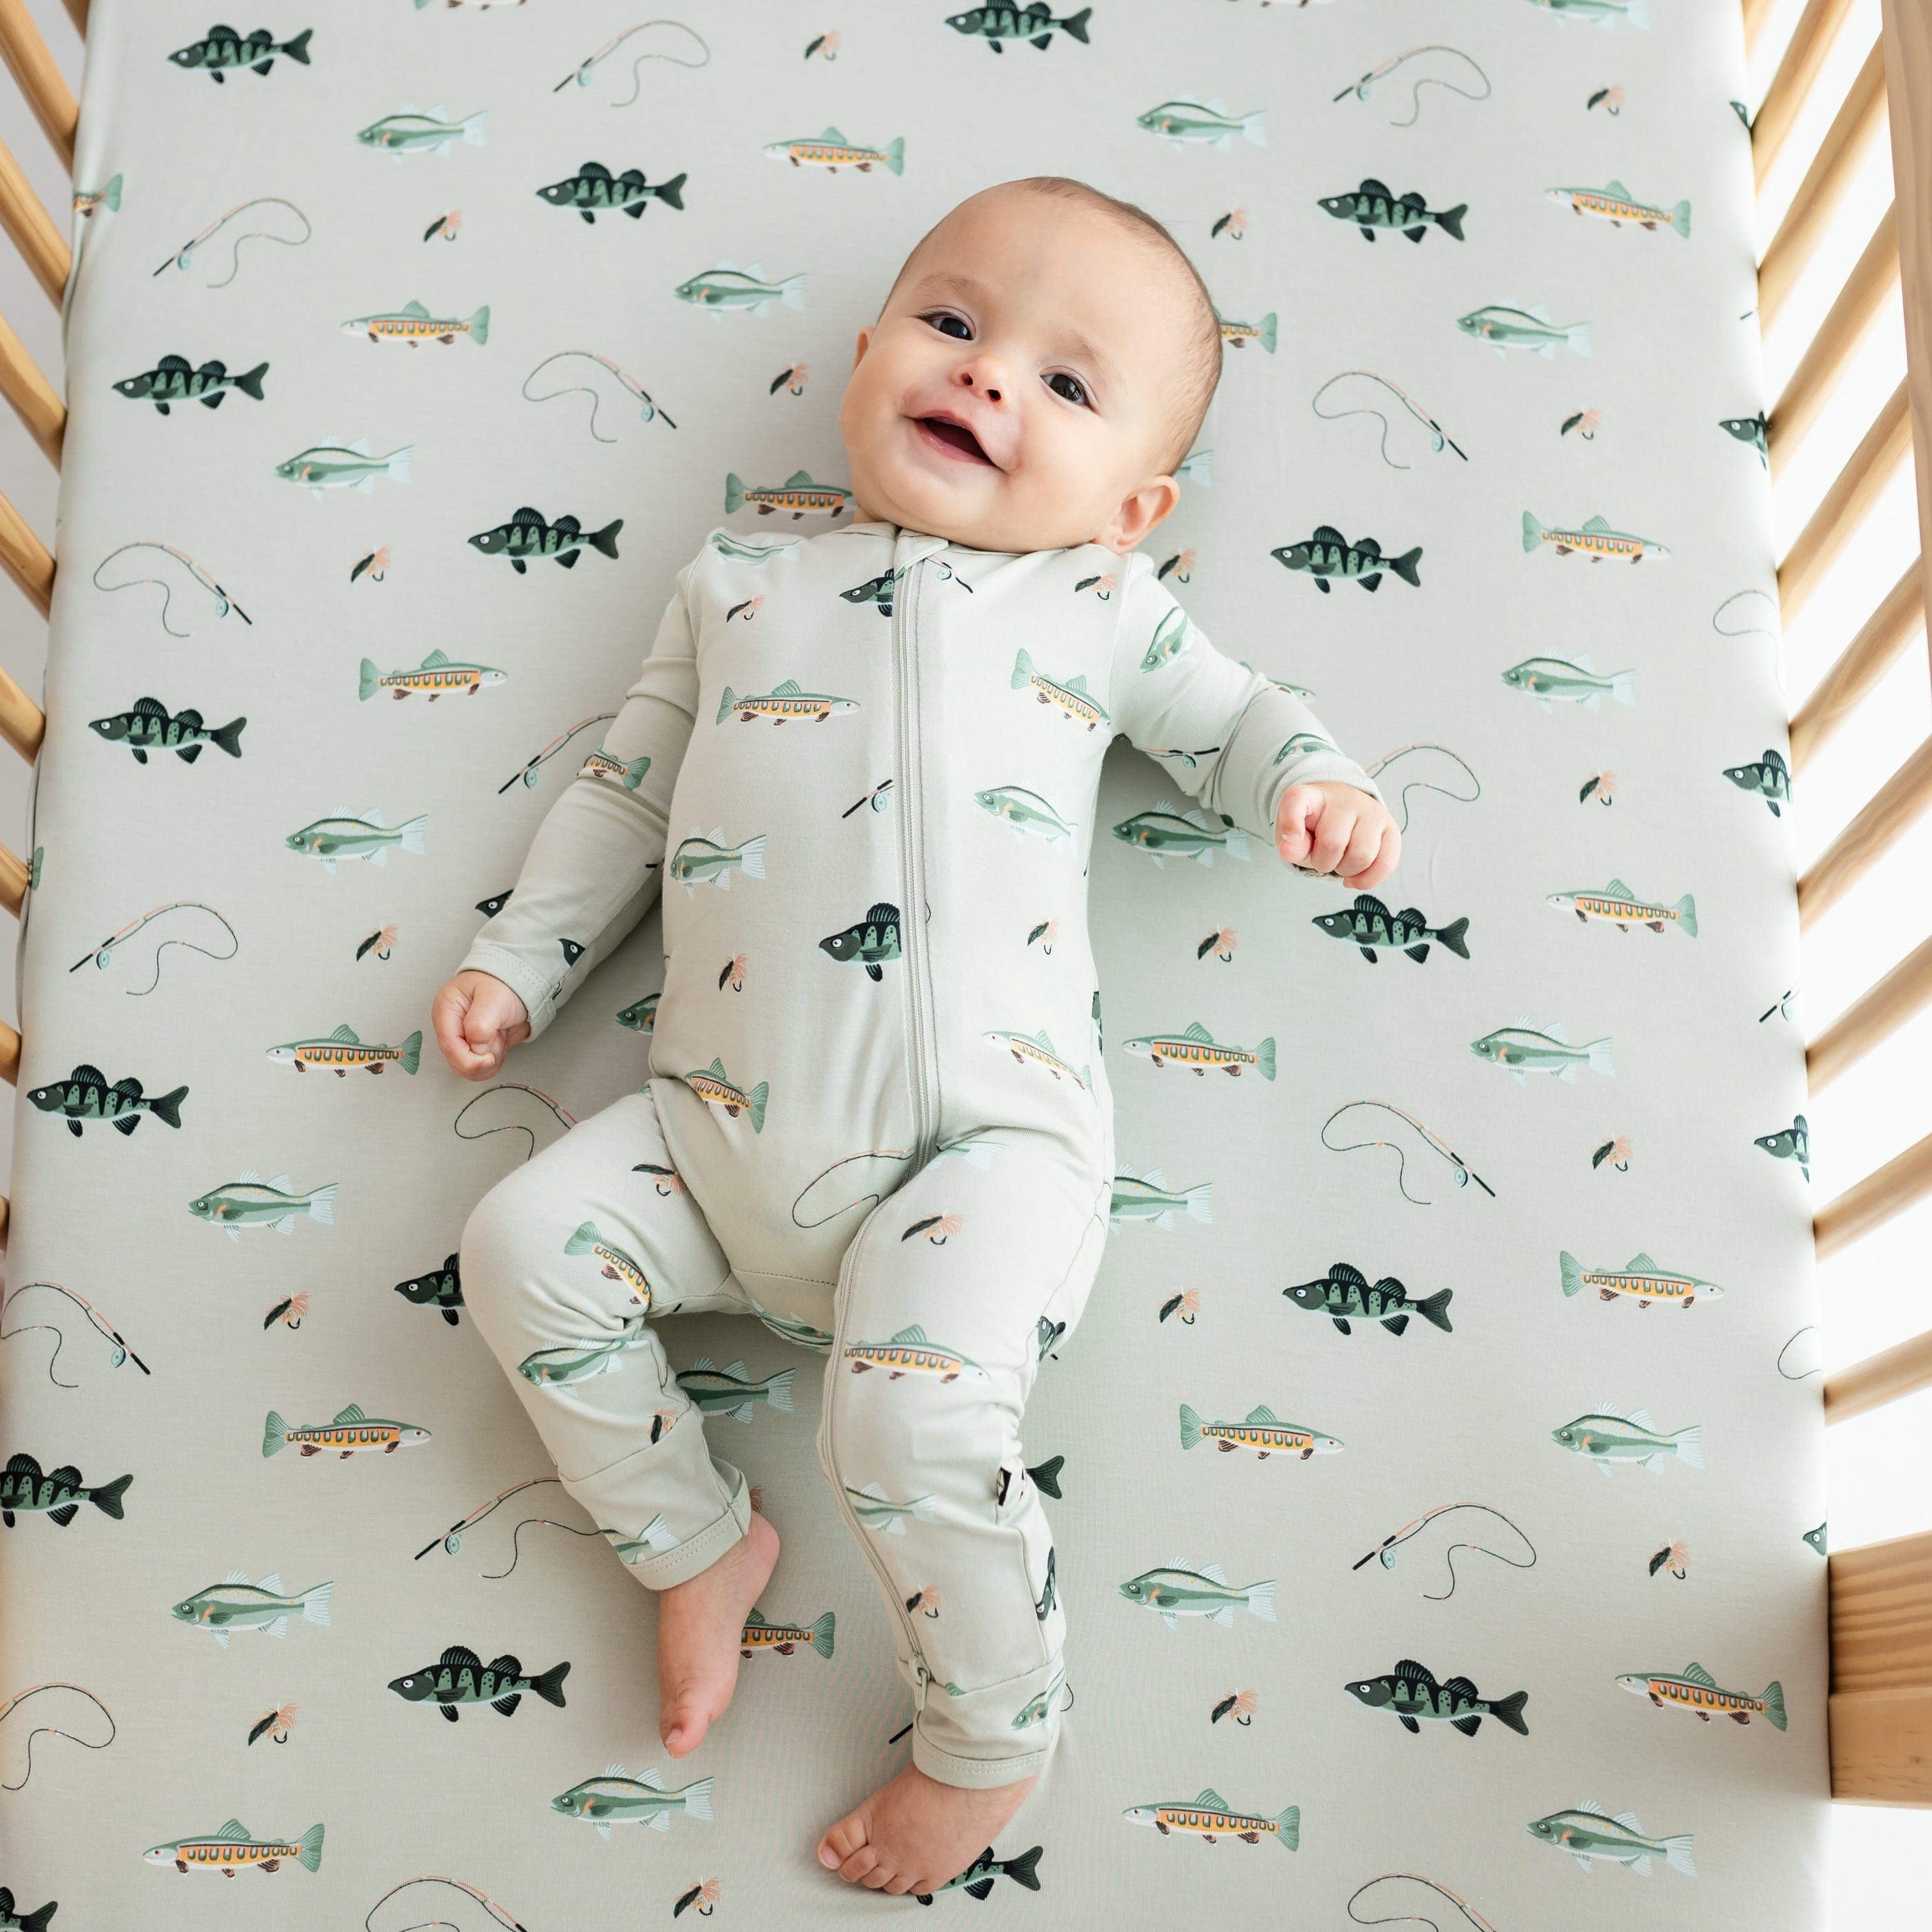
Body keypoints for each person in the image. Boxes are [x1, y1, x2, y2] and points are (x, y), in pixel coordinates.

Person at [432, 173, 1399, 1899]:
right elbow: (623, 795)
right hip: (710, 1134)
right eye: (952, 326)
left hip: (987, 1150)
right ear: (870, 353)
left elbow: (1234, 718)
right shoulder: (736, 585)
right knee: (518, 1249)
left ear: (1133, 506)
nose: (990, 378)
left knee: (908, 1433)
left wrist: (1314, 782)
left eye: (1067, 383)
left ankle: (986, 1737)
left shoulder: (1101, 609)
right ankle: (693, 1543)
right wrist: (522, 957)